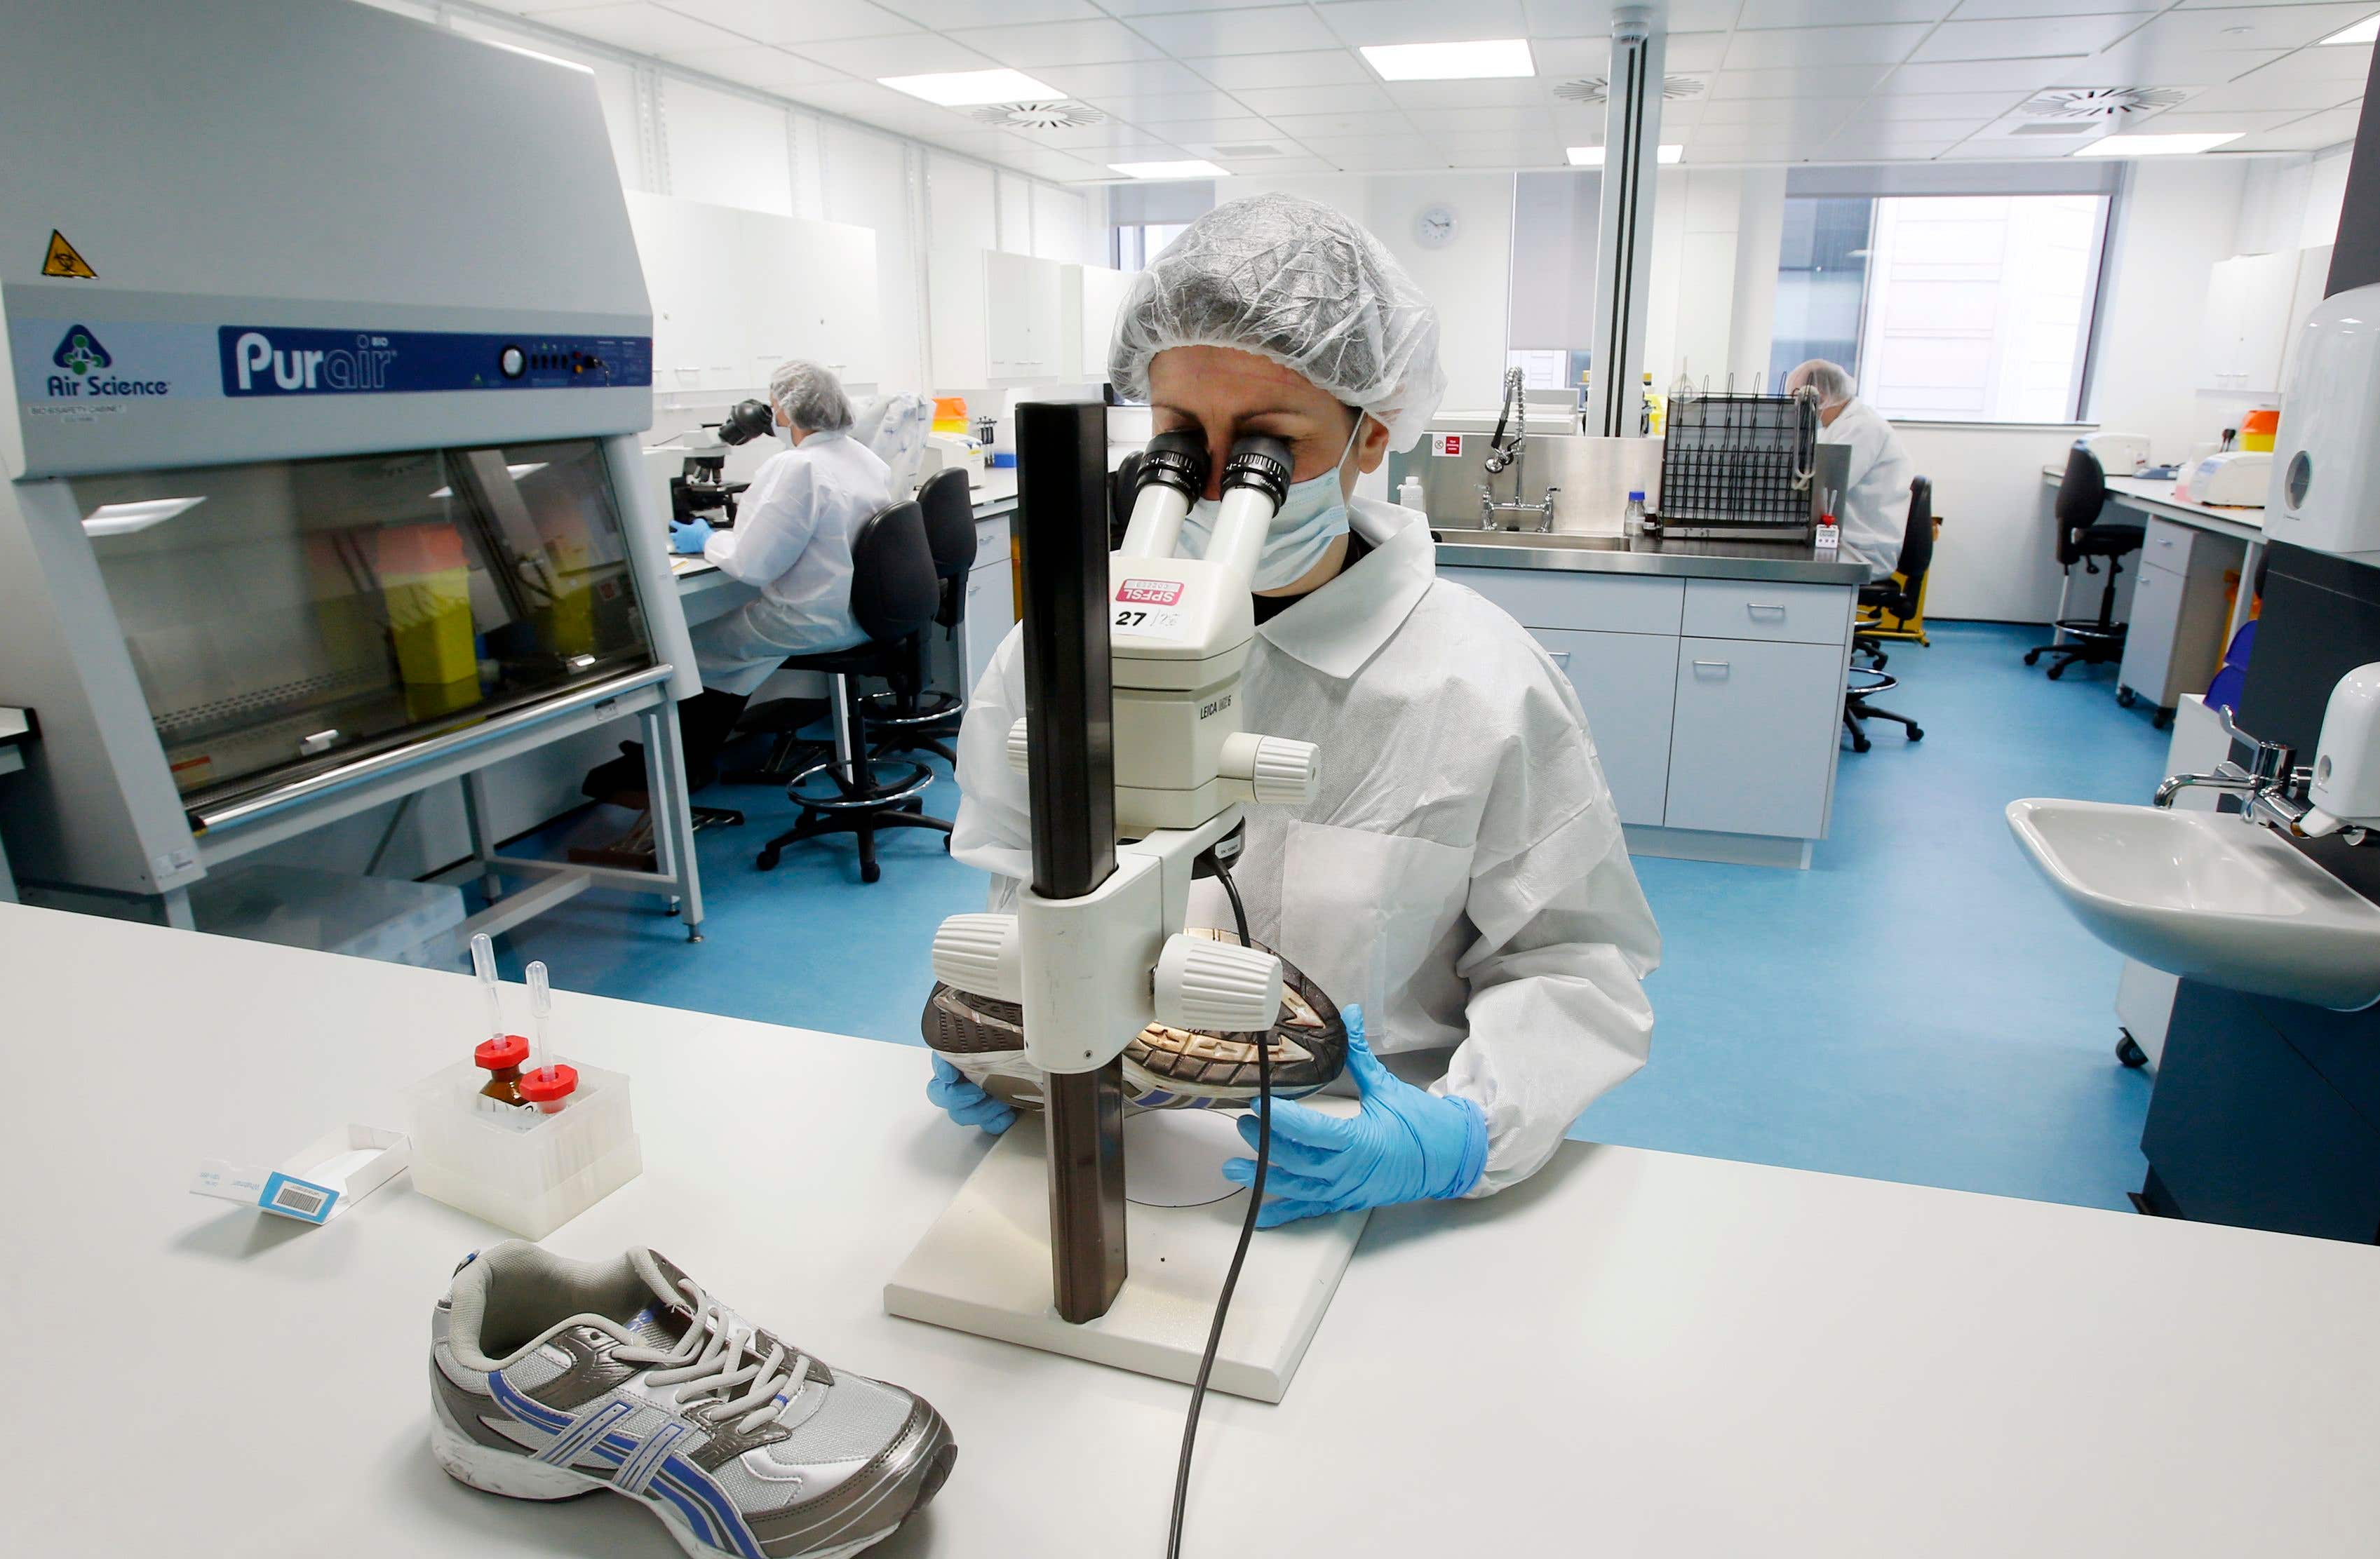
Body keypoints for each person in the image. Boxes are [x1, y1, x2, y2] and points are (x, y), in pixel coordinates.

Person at [927, 193, 1662, 1227]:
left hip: (1362, 1174)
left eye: (1272, 444)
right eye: (1180, 436)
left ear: (1374, 434)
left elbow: (1576, 966)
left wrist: (1461, 1131)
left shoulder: (1483, 683)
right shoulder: (1053, 657)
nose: (1221, 482)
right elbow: (1016, 886)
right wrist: (1012, 1036)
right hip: (1102, 1145)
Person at [591, 360, 894, 797]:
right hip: (858, 614)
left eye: (774, 406)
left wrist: (707, 540)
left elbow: (753, 566)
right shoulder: (863, 457)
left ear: (786, 412)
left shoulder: (798, 466)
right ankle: (690, 757)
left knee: (687, 649)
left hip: (811, 619)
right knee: (739, 656)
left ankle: (668, 769)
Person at [1786, 358, 1914, 578]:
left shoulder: (1862, 428)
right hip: (1845, 542)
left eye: (1797, 399)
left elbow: (1824, 489)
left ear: (1820, 397)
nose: (1795, 408)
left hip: (1864, 549)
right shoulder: (1835, 426)